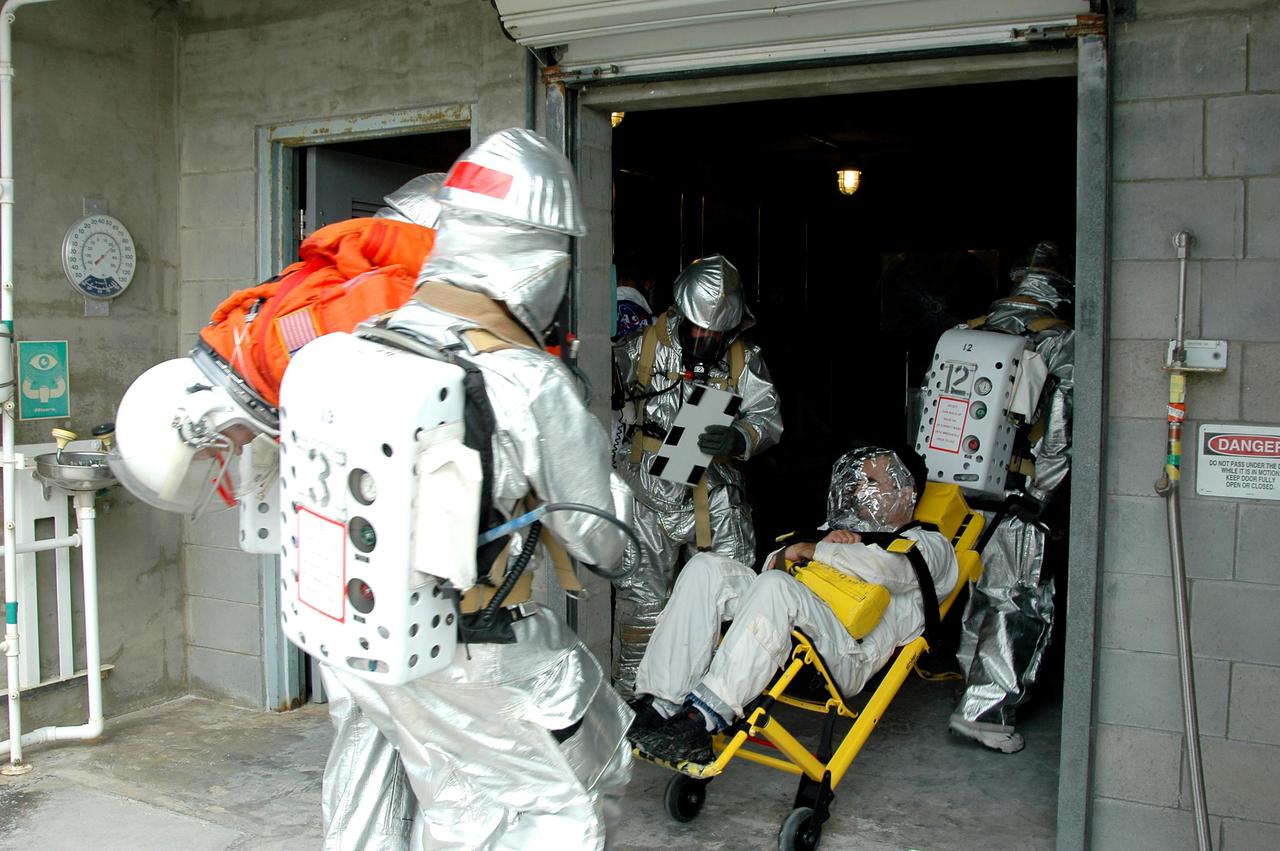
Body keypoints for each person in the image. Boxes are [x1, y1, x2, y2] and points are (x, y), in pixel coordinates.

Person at [111, 131, 636, 849]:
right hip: (474, 644)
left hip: (359, 635)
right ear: (543, 259)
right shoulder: (529, 378)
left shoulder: (353, 342)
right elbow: (601, 542)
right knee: (573, 793)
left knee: (435, 796)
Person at [626, 446, 957, 766]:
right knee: (708, 568)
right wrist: (793, 552)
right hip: (793, 623)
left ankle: (703, 719)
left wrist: (816, 550)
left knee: (776, 588)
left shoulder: (930, 544)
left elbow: (889, 571)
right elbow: (772, 567)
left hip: (847, 653)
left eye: (872, 482)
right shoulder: (836, 532)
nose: (859, 489)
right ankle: (660, 703)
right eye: (858, 480)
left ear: (904, 491)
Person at [610, 254, 782, 696]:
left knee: (734, 599)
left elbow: (767, 415)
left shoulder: (746, 359)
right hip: (648, 491)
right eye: (698, 327)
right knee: (644, 603)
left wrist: (739, 438)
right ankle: (636, 703)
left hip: (717, 495)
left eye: (716, 331)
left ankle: (712, 705)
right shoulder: (639, 347)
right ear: (681, 313)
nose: (706, 337)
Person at [946, 240, 1075, 754]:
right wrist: (1044, 493)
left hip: (959, 484)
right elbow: (1060, 430)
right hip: (1019, 489)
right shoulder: (1059, 341)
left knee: (980, 587)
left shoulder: (970, 330)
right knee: (1018, 597)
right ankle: (985, 710)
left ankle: (967, 678)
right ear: (1060, 288)